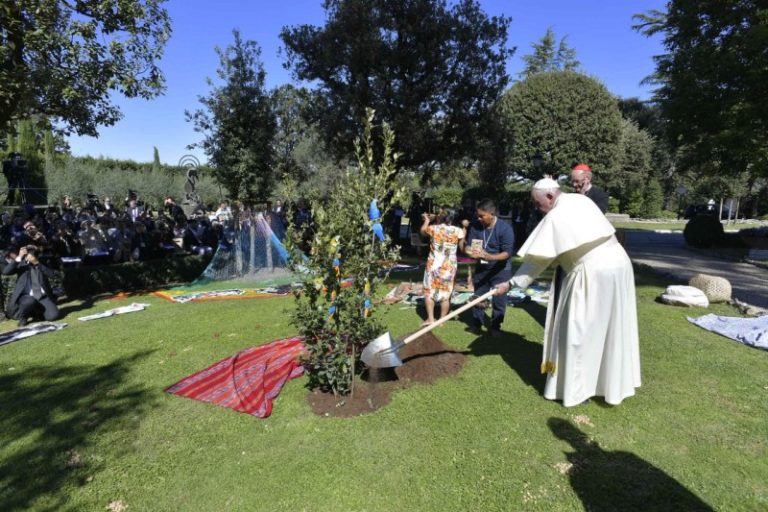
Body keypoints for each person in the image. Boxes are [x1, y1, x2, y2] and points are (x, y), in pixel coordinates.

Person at [495, 178, 640, 406]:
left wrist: (510, 284)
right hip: (619, 265)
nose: (537, 207)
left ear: (551, 196)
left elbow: (537, 261)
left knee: (578, 330)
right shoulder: (581, 201)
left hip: (592, 273)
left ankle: (578, 390)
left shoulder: (556, 216)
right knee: (610, 327)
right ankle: (607, 386)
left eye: (537, 202)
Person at [460, 198, 515, 336]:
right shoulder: (476, 227)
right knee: (478, 296)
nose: (478, 218)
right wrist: (469, 251)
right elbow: (469, 246)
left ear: (492, 213)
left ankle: (495, 327)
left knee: (499, 300)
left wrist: (489, 257)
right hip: (482, 268)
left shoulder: (505, 229)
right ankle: (476, 324)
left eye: (481, 216)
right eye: (477, 215)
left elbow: (507, 253)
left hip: (501, 269)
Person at [420, 209, 465, 326]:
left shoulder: (434, 228)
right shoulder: (458, 230)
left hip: (433, 265)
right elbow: (462, 247)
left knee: (429, 292)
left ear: (441, 218)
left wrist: (426, 220)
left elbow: (423, 231)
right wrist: (465, 228)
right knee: (446, 294)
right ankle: (441, 320)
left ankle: (430, 318)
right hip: (449, 266)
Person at [3, 245, 59, 326]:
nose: (30, 255)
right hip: (26, 297)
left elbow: (52, 275)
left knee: (53, 316)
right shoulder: (21, 264)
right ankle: (23, 317)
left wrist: (37, 263)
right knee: (29, 301)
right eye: (28, 253)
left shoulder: (42, 262)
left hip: (42, 297)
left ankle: (37, 313)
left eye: (33, 253)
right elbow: (6, 272)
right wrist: (19, 256)